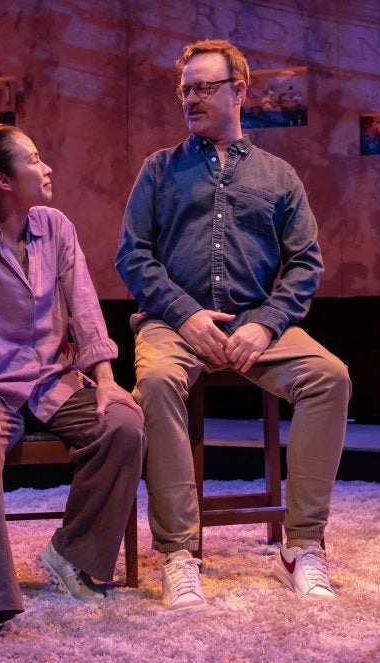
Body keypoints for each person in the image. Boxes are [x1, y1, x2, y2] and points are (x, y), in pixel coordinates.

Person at [115, 39, 351, 612]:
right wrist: (183, 312)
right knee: (155, 385)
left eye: (203, 86)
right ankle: (179, 554)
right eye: (185, 89)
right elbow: (133, 255)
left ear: (239, 91)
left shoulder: (278, 175)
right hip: (174, 322)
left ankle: (302, 547)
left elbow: (305, 264)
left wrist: (267, 324)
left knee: (331, 377)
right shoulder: (159, 169)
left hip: (255, 321)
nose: (190, 98)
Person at [0, 124, 145, 660]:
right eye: (35, 161)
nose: (47, 170)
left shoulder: (55, 227)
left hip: (50, 379)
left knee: (123, 425)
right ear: (2, 180)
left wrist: (109, 381)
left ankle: (73, 557)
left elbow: (85, 306)